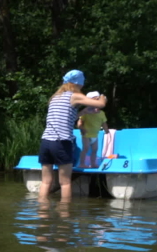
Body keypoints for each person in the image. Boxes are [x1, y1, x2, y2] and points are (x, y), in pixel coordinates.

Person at [38, 70, 107, 202]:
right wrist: (102, 96)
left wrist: (83, 112)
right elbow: (101, 104)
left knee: (46, 182)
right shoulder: (74, 95)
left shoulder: (56, 97)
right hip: (61, 142)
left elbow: (68, 117)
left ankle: (42, 215)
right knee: (65, 183)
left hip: (46, 142)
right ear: (77, 84)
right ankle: (65, 217)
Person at [77, 91, 109, 168]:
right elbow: (79, 123)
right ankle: (81, 164)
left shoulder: (101, 113)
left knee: (95, 150)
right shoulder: (86, 112)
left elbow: (104, 123)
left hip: (95, 135)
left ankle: (93, 163)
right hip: (86, 134)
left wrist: (106, 130)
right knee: (86, 148)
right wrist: (81, 128)